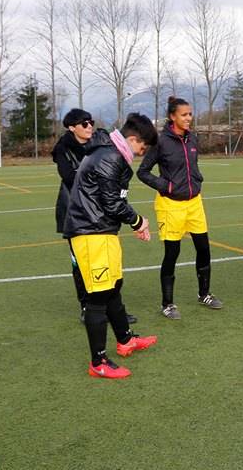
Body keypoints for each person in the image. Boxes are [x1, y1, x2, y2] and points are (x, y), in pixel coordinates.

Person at [64, 113, 158, 379]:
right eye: (142, 147)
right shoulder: (110, 156)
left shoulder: (111, 153)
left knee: (113, 287)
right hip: (91, 232)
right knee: (97, 298)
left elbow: (112, 201)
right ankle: (98, 362)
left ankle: (125, 339)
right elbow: (112, 202)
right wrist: (138, 221)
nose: (141, 153)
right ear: (131, 139)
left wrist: (133, 220)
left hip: (102, 230)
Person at [137, 96, 222, 320]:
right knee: (172, 254)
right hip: (170, 205)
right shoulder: (160, 141)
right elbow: (143, 172)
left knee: (204, 249)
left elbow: (191, 166)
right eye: (184, 114)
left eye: (190, 114)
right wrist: (166, 185)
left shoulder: (193, 138)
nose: (188, 118)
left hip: (195, 203)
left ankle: (204, 294)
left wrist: (197, 179)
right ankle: (168, 304)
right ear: (172, 116)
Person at [53, 109, 138, 324]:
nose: (89, 126)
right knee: (81, 264)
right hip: (76, 213)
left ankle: (114, 310)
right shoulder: (63, 149)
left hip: (104, 213)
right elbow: (72, 179)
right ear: (72, 127)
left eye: (91, 122)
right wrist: (101, 175)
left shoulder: (103, 142)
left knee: (110, 264)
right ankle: (87, 306)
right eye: (84, 123)